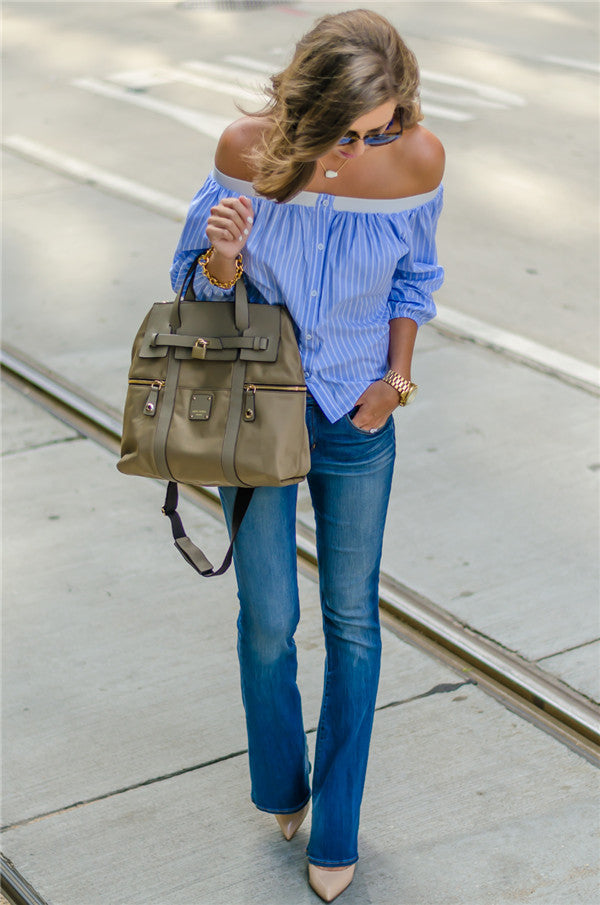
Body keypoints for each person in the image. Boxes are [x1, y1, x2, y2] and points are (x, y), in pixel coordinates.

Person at [170, 8, 444, 901]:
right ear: (309, 107)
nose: (374, 141)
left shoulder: (417, 158)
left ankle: (337, 822)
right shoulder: (245, 149)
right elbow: (190, 283)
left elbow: (414, 277)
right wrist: (222, 260)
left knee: (353, 622)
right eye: (355, 128)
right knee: (265, 615)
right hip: (259, 410)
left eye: (388, 123)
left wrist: (395, 381)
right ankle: (282, 783)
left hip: (360, 417)